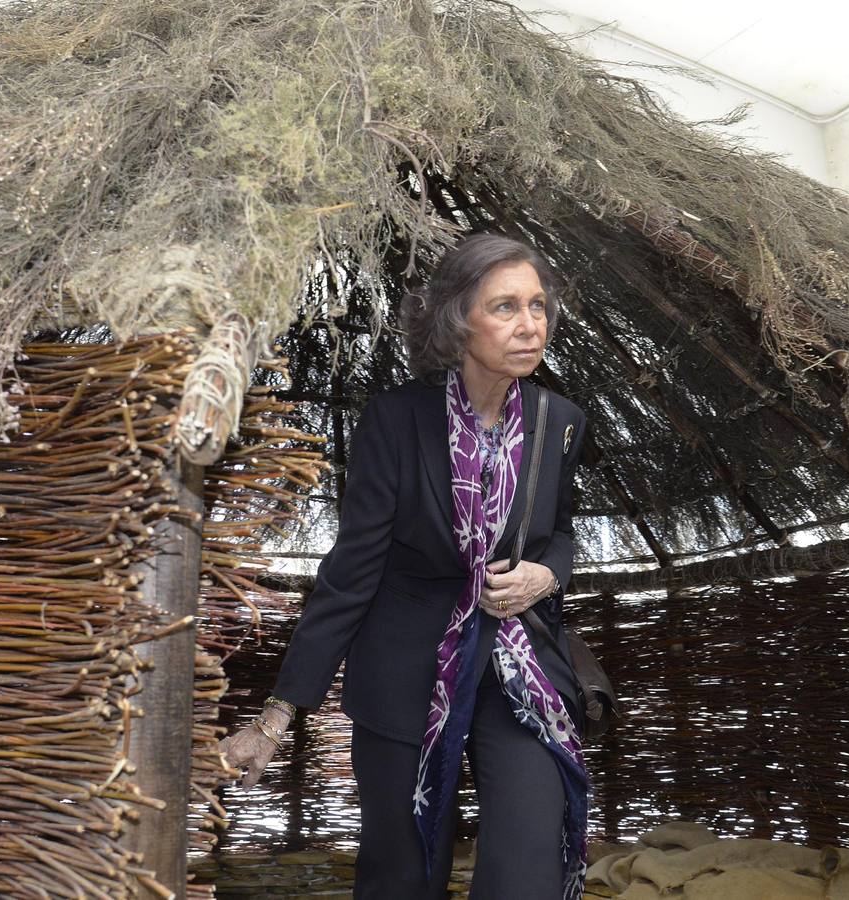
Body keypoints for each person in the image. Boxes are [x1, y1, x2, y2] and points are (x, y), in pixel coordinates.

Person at [217, 233, 591, 899]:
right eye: (505, 307)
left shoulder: (560, 420)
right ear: (459, 321)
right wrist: (278, 714)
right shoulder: (397, 420)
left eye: (538, 306)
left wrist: (545, 575)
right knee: (402, 871)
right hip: (407, 672)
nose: (530, 325)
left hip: (516, 670)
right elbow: (352, 570)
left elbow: (558, 534)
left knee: (530, 855)